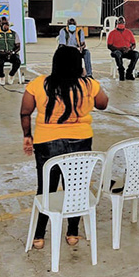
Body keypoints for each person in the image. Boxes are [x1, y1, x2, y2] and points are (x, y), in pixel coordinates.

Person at [20, 45, 109, 249]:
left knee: (46, 189)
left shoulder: (39, 84)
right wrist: (86, 77)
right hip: (81, 141)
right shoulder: (87, 84)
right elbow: (103, 103)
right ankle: (72, 233)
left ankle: (39, 236)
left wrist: (27, 136)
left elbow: (25, 111)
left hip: (46, 143)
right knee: (76, 187)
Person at [0, 16, 21, 86]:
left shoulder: (14, 34)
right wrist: (0, 52)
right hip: (0, 53)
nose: (5, 25)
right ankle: (1, 76)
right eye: (2, 23)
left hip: (11, 53)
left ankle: (11, 75)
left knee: (17, 62)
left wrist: (13, 52)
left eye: (6, 23)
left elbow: (18, 46)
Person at [107, 16, 139, 81]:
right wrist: (119, 49)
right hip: (116, 51)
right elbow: (109, 46)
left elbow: (133, 44)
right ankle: (121, 71)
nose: (121, 23)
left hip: (127, 51)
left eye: (122, 22)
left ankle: (129, 72)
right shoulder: (112, 33)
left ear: (125, 23)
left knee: (136, 54)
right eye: (120, 22)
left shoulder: (128, 32)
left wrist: (129, 49)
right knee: (117, 54)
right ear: (117, 23)